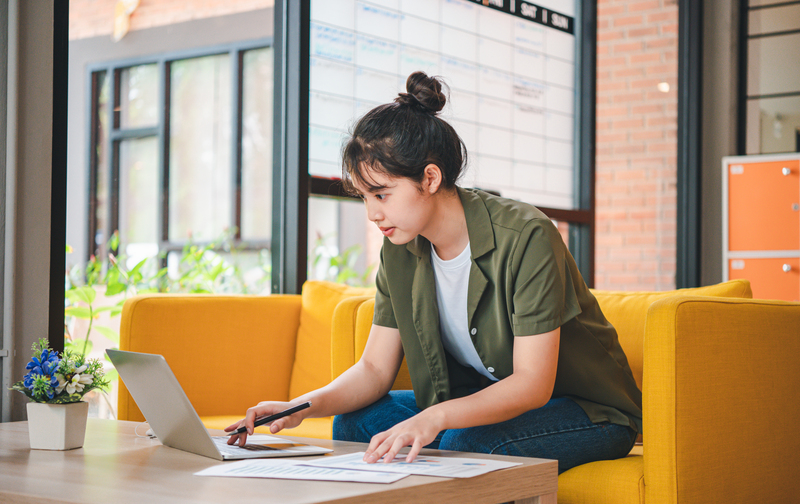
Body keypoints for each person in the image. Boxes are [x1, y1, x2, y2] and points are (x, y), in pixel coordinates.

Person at [226, 71, 642, 474]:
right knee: (354, 423)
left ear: (429, 177)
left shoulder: (527, 235)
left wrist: (435, 420)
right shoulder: (400, 249)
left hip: (586, 410)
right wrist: (299, 407)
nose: (372, 213)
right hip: (477, 403)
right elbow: (373, 369)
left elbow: (533, 384)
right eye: (364, 197)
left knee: (465, 441)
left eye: (382, 194)